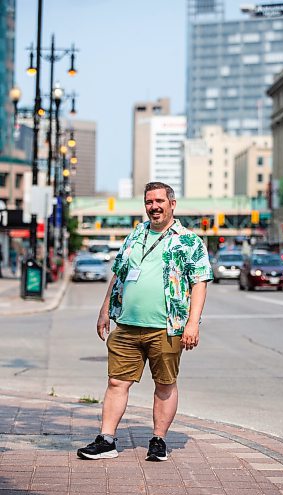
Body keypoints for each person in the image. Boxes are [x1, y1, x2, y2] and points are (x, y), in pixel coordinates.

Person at [77, 182, 213, 461]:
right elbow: (119, 273)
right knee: (116, 382)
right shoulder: (136, 234)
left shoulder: (189, 240)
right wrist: (105, 310)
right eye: (149, 202)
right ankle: (106, 440)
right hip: (127, 324)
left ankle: (158, 440)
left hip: (167, 326)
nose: (154, 206)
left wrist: (193, 323)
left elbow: (199, 282)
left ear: (172, 204)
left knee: (164, 384)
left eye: (160, 201)